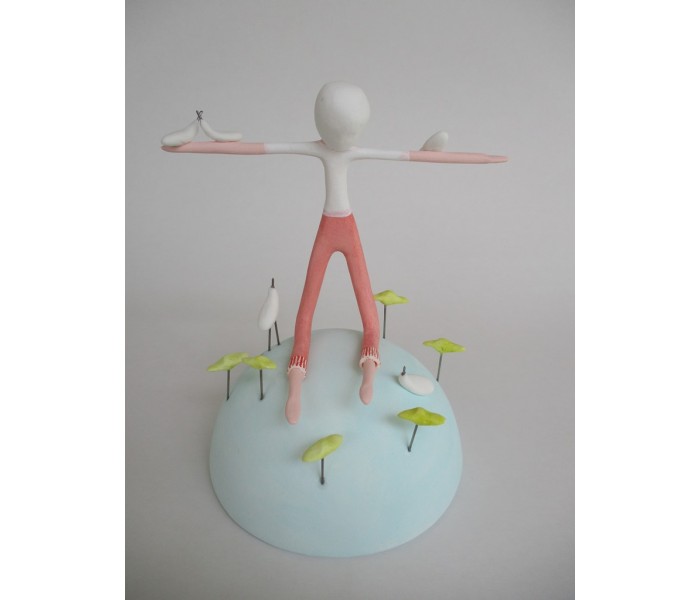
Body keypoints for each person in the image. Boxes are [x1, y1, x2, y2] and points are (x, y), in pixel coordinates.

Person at [162, 81, 507, 424]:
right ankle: (296, 386)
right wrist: (192, 147)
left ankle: (367, 376)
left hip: (341, 229)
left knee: (363, 311)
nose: (344, 137)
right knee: (308, 311)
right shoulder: (320, 148)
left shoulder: (349, 150)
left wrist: (481, 158)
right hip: (331, 229)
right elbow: (254, 149)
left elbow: (413, 156)